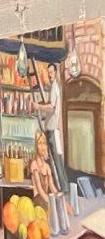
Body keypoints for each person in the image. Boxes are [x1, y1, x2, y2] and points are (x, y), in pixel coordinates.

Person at [36, 63, 69, 193]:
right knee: (52, 160)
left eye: (51, 72)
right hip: (49, 130)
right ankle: (58, 187)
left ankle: (64, 188)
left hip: (53, 131)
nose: (49, 75)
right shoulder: (52, 88)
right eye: (48, 72)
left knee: (57, 160)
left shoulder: (55, 87)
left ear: (55, 73)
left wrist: (39, 107)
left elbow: (52, 107)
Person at [30, 130, 59, 211]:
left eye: (44, 143)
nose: (43, 146)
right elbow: (39, 190)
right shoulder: (34, 164)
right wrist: (51, 202)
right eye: (40, 143)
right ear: (36, 146)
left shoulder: (47, 166)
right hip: (38, 201)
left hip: (46, 200)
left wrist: (59, 197)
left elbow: (52, 187)